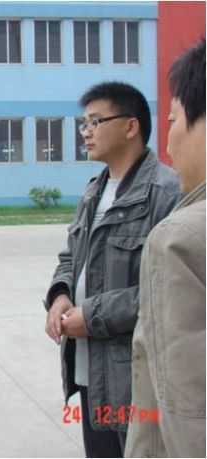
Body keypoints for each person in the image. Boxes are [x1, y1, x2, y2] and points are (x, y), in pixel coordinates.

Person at [43, 82, 180, 457]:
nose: (85, 132)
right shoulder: (93, 191)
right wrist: (60, 295)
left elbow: (167, 292)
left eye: (95, 121)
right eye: (83, 123)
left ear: (130, 126)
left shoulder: (167, 193)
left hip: (136, 379)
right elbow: (71, 257)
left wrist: (92, 317)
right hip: (92, 373)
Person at [125, 38, 206, 458]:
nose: (169, 145)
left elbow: (188, 416)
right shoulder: (93, 192)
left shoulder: (179, 238)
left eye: (173, 120)